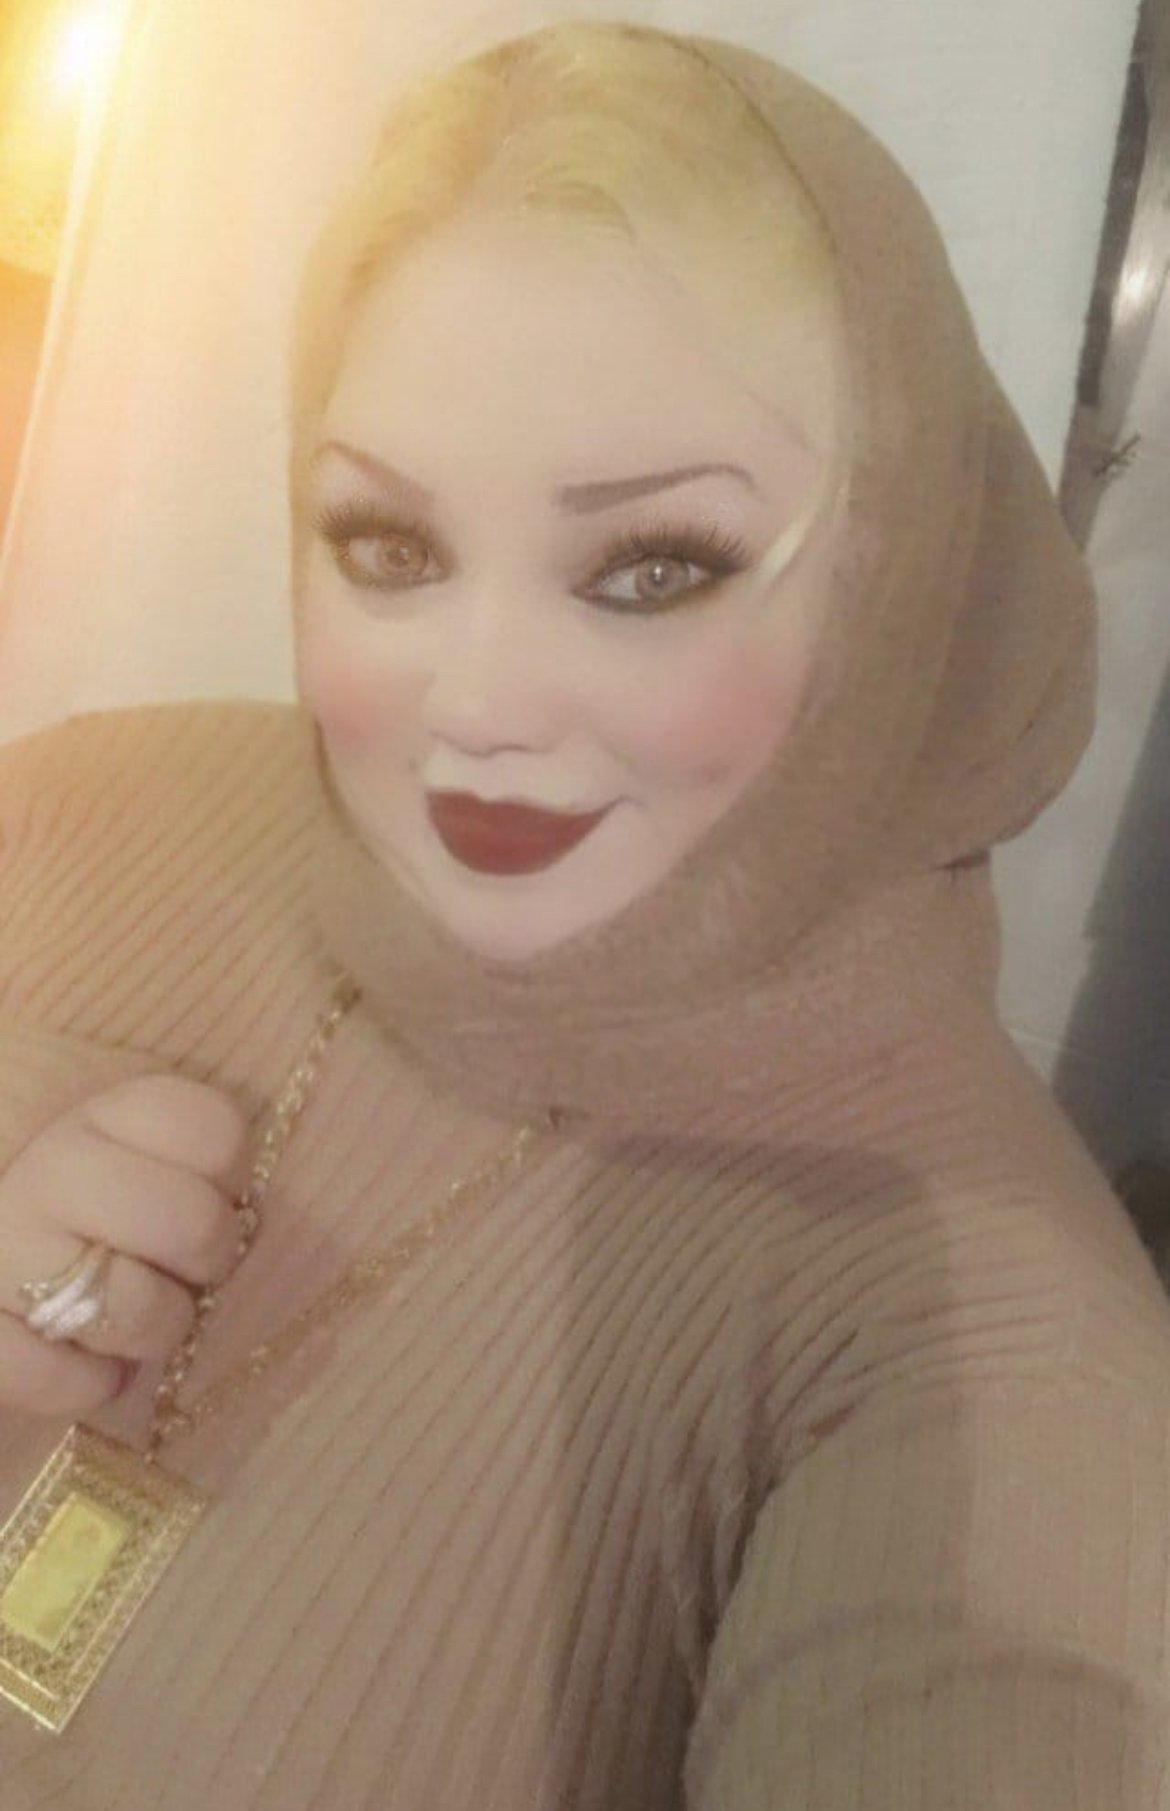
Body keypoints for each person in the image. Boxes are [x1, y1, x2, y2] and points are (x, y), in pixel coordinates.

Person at [0, 19, 1166, 1807]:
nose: (477, 707)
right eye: (389, 548)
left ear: (900, 574)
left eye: (651, 568)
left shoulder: (980, 1348)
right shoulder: (86, 810)